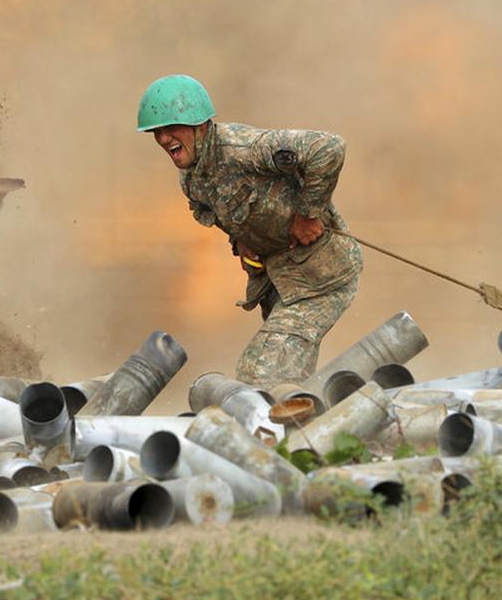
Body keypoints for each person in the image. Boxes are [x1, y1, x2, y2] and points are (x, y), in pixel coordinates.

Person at [136, 74, 362, 388]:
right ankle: (307, 429)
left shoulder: (245, 149)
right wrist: (241, 241)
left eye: (171, 128)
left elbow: (328, 148)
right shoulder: (192, 178)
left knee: (263, 373)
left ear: (201, 125)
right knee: (287, 378)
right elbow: (224, 212)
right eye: (156, 132)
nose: (162, 139)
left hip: (320, 275)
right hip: (279, 282)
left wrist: (308, 215)